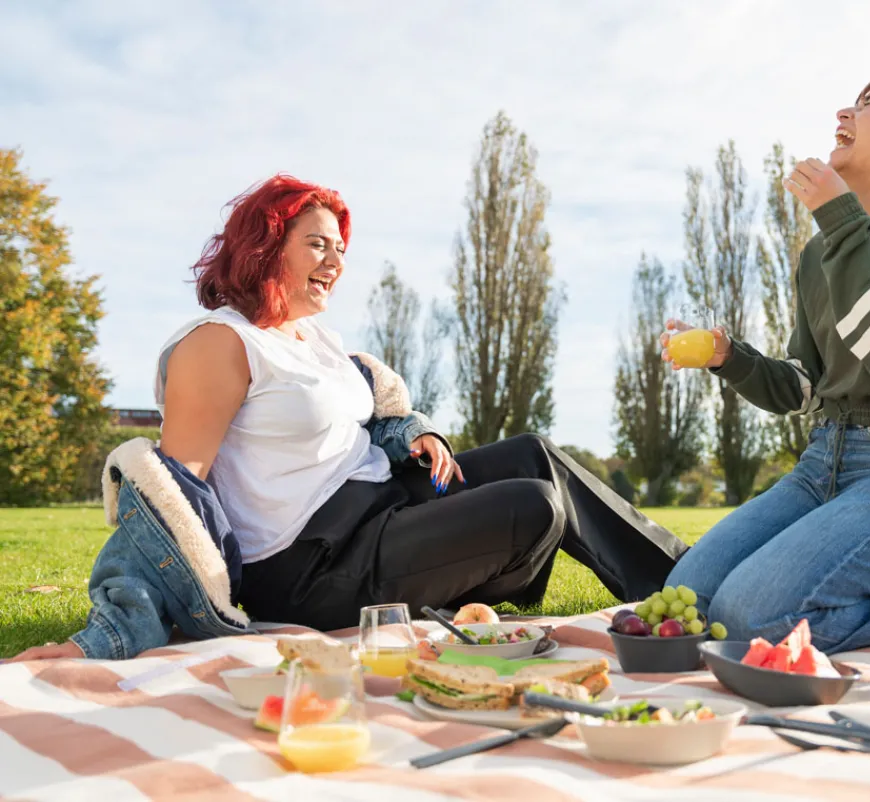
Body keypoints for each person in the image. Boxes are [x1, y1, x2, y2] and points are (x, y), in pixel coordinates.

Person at [9, 174, 686, 662]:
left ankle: (685, 580)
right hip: (309, 568)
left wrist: (414, 430)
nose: (336, 261)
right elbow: (168, 494)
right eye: (317, 245)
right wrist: (109, 632)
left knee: (533, 454)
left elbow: (374, 416)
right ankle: (452, 594)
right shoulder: (219, 343)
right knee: (531, 506)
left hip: (382, 505)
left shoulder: (316, 339)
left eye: (339, 248)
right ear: (265, 246)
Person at [663, 73, 870, 654]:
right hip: (820, 463)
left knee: (750, 618)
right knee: (689, 596)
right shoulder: (819, 253)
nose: (844, 112)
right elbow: (804, 387)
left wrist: (839, 218)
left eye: (868, 103)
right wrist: (729, 357)